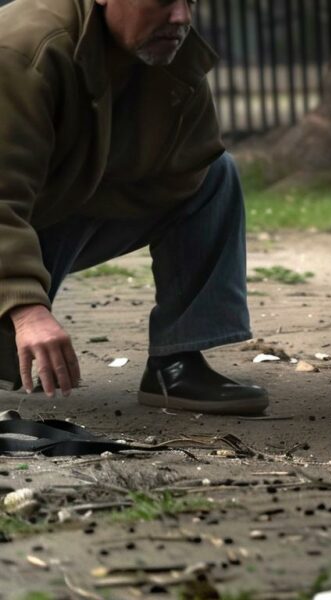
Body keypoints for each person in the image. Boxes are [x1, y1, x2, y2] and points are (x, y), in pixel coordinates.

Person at [0, 0, 268, 416]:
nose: (180, 17)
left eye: (190, 1)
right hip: (15, 218)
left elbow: (185, 165)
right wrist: (26, 309)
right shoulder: (24, 48)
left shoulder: (166, 52)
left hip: (47, 214)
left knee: (213, 174)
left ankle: (177, 362)